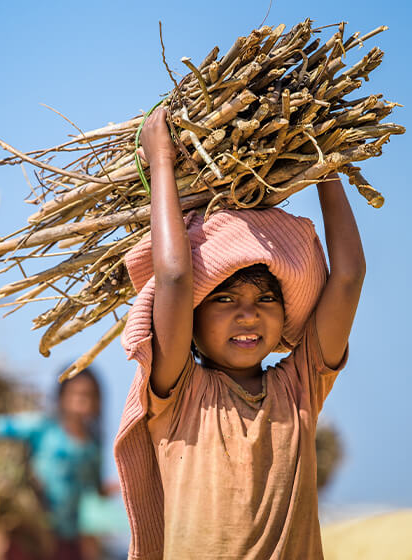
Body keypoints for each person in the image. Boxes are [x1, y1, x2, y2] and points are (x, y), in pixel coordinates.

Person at [113, 107, 366, 559]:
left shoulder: (299, 389)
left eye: (265, 300)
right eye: (226, 300)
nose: (249, 315)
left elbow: (347, 277)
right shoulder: (179, 392)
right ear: (192, 318)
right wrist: (162, 163)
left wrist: (325, 161)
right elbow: (173, 278)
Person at [0, 367, 107, 560]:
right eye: (77, 394)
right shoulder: (45, 428)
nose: (83, 401)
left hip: (67, 536)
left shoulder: (92, 447)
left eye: (90, 395)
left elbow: (95, 488)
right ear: (62, 397)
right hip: (34, 531)